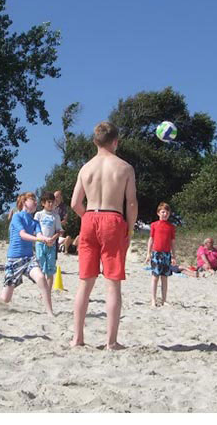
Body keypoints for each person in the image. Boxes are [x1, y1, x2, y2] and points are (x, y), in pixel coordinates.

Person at [70, 121, 138, 350]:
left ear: (95, 141)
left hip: (89, 217)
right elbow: (130, 202)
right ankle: (111, 341)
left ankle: (77, 338)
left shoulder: (85, 168)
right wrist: (130, 227)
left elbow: (74, 203)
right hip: (113, 218)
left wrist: (87, 219)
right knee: (112, 284)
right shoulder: (125, 168)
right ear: (116, 142)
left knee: (85, 284)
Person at [0, 192, 54, 316]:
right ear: (24, 202)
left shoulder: (35, 222)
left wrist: (45, 238)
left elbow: (39, 234)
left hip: (29, 258)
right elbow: (23, 235)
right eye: (32, 199)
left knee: (41, 278)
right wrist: (40, 239)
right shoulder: (17, 217)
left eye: (36, 200)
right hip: (14, 260)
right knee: (5, 299)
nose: (36, 202)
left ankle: (50, 312)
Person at [144, 202, 176, 307]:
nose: (165, 214)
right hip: (156, 253)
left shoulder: (171, 227)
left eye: (167, 212)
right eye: (163, 212)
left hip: (166, 254)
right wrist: (148, 254)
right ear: (158, 213)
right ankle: (153, 300)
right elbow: (151, 239)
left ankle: (164, 300)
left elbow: (172, 242)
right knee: (155, 277)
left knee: (164, 278)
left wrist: (174, 256)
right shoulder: (154, 225)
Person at [34, 191, 64, 297]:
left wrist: (53, 239)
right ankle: (42, 291)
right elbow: (35, 229)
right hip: (40, 244)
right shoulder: (38, 215)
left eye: (52, 202)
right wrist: (42, 238)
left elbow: (59, 230)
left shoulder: (56, 216)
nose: (50, 204)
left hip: (51, 245)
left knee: (50, 270)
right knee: (41, 268)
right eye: (48, 202)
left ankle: (48, 292)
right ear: (43, 203)